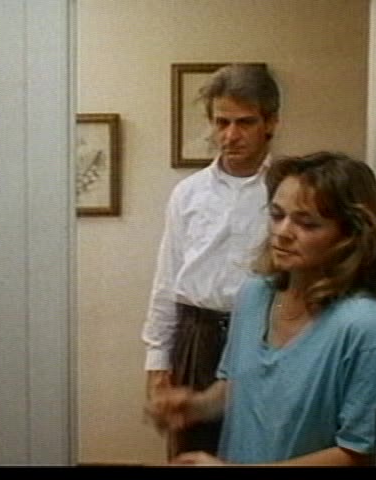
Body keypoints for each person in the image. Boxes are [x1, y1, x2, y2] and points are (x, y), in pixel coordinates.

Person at [146, 151, 376, 466]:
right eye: (277, 215)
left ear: (350, 234)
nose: (283, 232)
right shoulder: (254, 294)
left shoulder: (364, 327)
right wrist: (196, 405)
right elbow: (239, 387)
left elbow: (357, 453)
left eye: (306, 223)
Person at [141, 63, 281, 458]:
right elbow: (166, 280)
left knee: (260, 446)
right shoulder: (188, 193)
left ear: (270, 123)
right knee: (192, 447)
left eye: (244, 122)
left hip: (263, 333)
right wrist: (157, 361)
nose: (230, 135)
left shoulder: (286, 190)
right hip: (197, 334)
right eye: (221, 122)